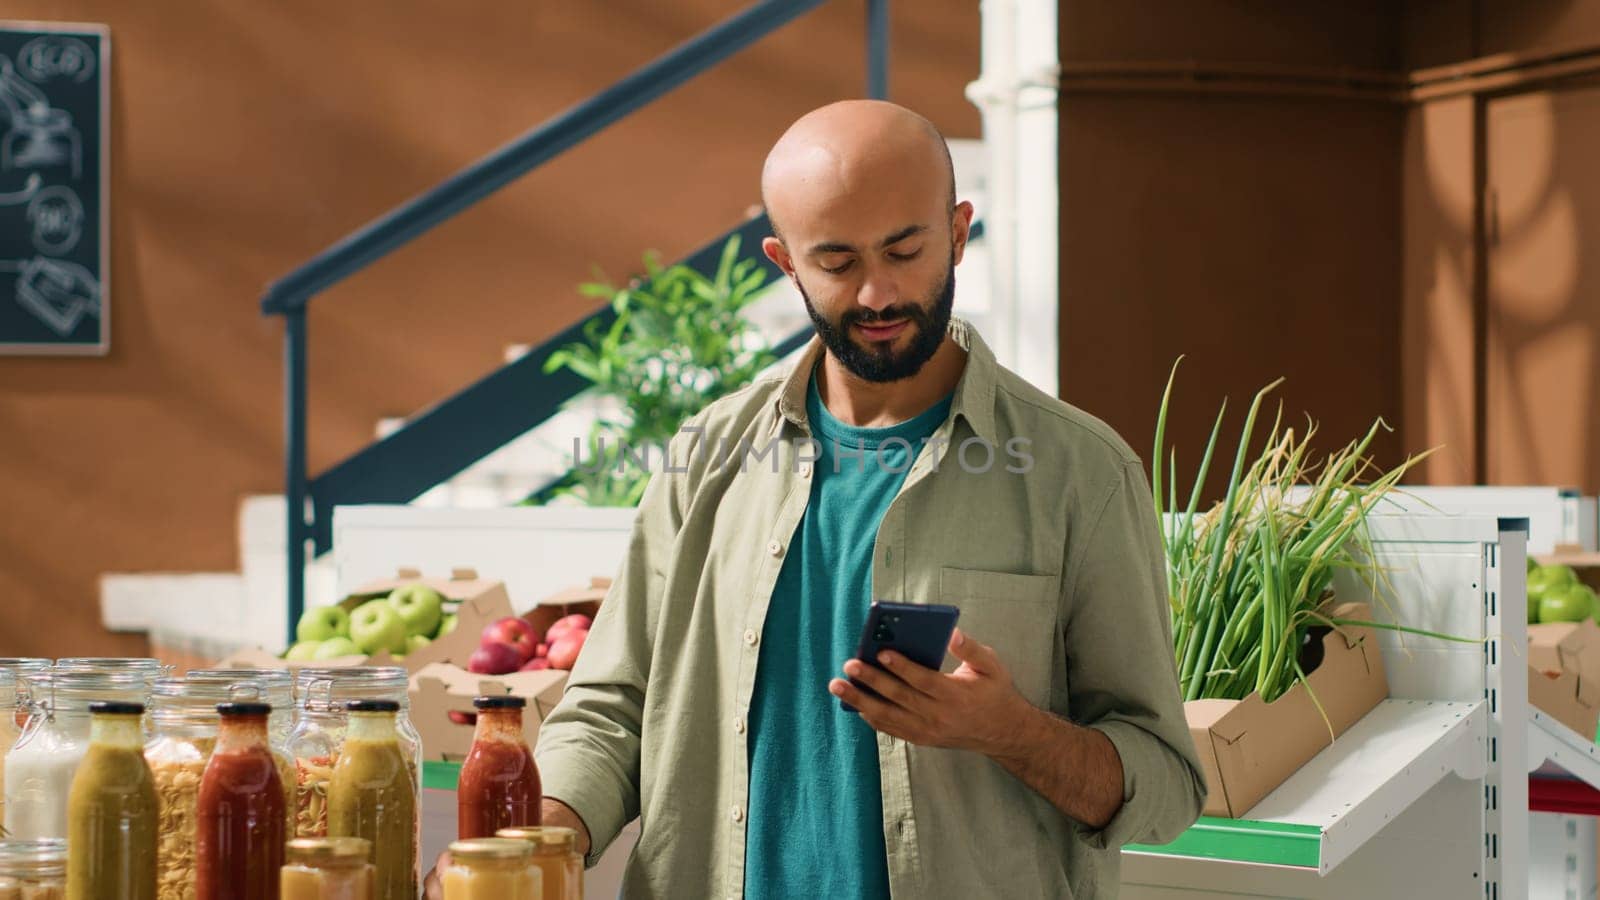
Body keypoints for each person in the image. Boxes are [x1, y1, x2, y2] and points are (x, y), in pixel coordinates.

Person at [425, 99, 1203, 899]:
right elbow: (611, 708)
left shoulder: (1080, 473)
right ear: (784, 262)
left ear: (960, 230)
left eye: (905, 250)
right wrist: (539, 837)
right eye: (836, 263)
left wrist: (1010, 732)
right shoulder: (708, 455)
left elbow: (1167, 783)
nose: (876, 293)